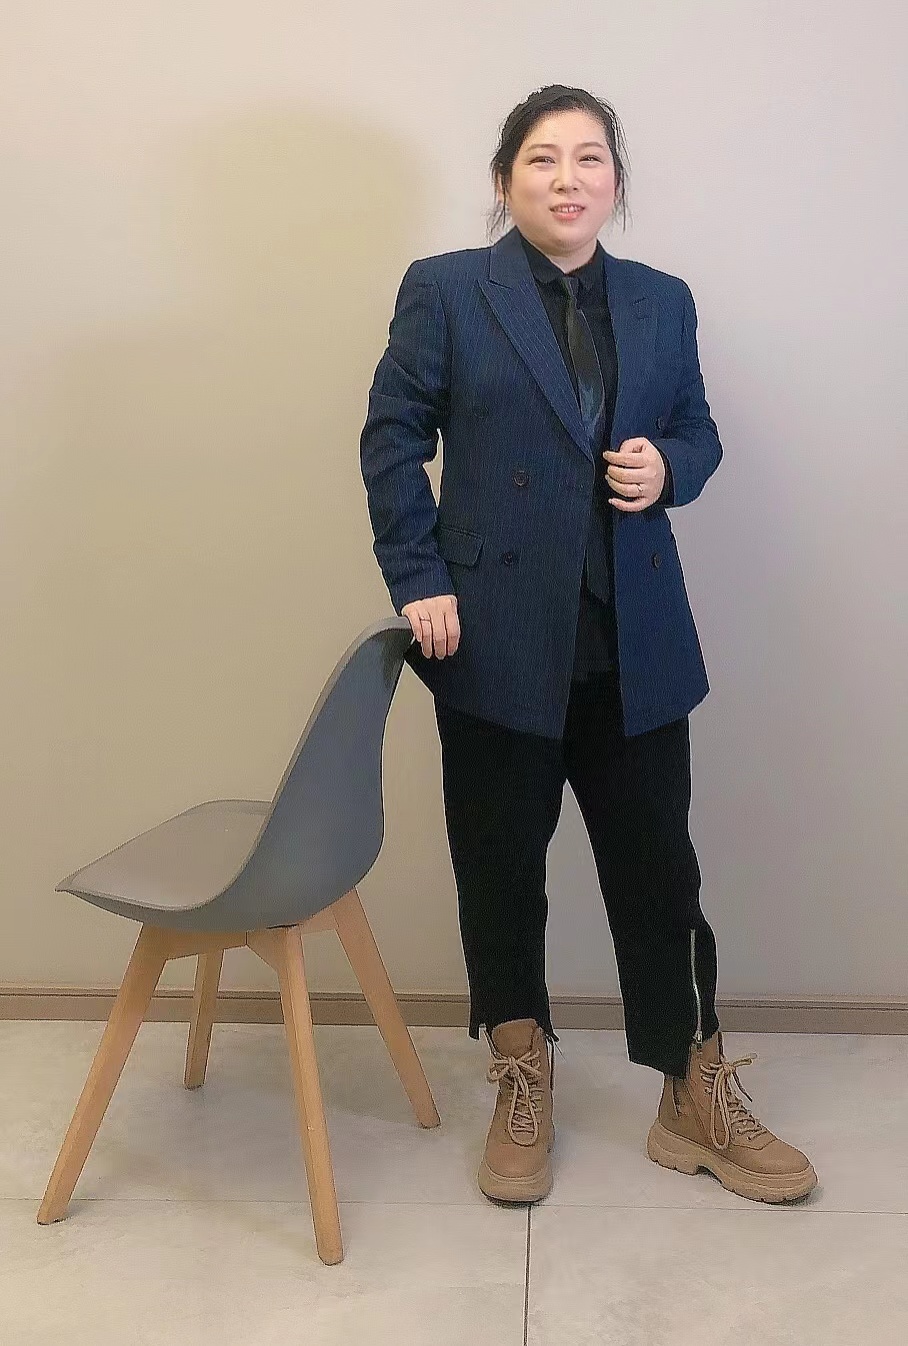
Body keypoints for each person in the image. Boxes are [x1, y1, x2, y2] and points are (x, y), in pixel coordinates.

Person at [360, 84, 817, 1206]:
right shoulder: (447, 290)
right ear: (503, 180)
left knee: (661, 876)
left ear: (615, 180)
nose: (567, 179)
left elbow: (698, 430)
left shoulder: (661, 300)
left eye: (589, 158)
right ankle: (522, 1072)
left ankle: (690, 1092)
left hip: (633, 639)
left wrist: (670, 467)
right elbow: (390, 438)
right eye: (541, 158)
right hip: (494, 640)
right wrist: (419, 578)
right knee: (500, 870)